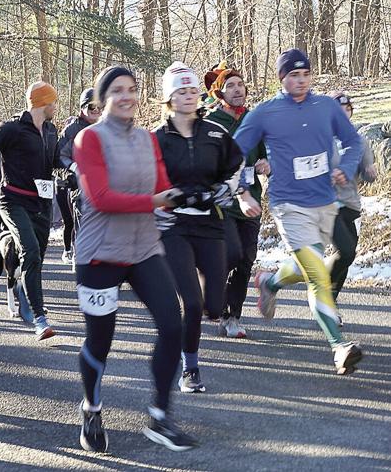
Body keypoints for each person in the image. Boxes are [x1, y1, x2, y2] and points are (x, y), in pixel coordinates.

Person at [72, 66, 197, 453]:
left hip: (143, 248)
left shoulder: (147, 138)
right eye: (117, 90)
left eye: (132, 89)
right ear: (103, 98)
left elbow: (161, 186)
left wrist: (183, 195)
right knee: (100, 339)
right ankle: (92, 408)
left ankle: (160, 416)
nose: (126, 96)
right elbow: (101, 198)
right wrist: (156, 200)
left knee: (172, 325)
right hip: (100, 254)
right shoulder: (88, 139)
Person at [234, 49, 364, 375]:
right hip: (289, 205)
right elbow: (234, 151)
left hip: (325, 201)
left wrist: (346, 168)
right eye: (294, 75)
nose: (301, 81)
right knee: (317, 274)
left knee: (310, 263)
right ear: (282, 78)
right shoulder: (266, 113)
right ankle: (339, 346)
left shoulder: (326, 107)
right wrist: (243, 189)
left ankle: (270, 282)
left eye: (306, 74)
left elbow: (353, 142)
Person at [154, 62, 243, 393]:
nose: (189, 96)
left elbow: (236, 165)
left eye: (193, 90)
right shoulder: (157, 138)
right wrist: (164, 199)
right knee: (190, 303)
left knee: (213, 308)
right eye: (181, 91)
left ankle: (207, 302)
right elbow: (144, 179)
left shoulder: (215, 133)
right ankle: (190, 368)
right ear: (169, 97)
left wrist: (225, 189)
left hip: (209, 223)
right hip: (173, 226)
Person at [0, 81, 62, 340]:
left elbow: (55, 160)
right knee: (30, 251)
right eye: (53, 102)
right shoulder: (11, 128)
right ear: (43, 103)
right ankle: (39, 318)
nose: (56, 107)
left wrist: (70, 170)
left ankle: (27, 294)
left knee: (37, 258)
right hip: (13, 201)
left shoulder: (51, 130)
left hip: (42, 203)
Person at [204, 69, 269, 339]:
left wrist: (267, 164)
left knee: (245, 260)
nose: (237, 89)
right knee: (229, 254)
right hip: (222, 202)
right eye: (230, 85)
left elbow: (266, 157)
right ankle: (211, 292)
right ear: (219, 93)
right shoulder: (211, 123)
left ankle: (232, 317)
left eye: (240, 84)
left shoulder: (253, 121)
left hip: (251, 200)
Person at [326, 92, 377, 305]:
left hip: (351, 205)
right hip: (328, 204)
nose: (344, 113)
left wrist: (370, 172)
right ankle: (322, 292)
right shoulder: (321, 140)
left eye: (348, 109)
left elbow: (367, 174)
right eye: (340, 110)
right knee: (345, 252)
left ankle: (330, 300)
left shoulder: (359, 141)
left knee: (348, 255)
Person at [56, 87, 101, 264]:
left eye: (99, 106)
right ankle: (81, 260)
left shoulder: (107, 127)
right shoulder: (72, 129)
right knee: (82, 225)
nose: (96, 110)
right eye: (91, 107)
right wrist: (74, 168)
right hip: (81, 189)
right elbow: (59, 156)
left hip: (104, 188)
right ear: (82, 108)